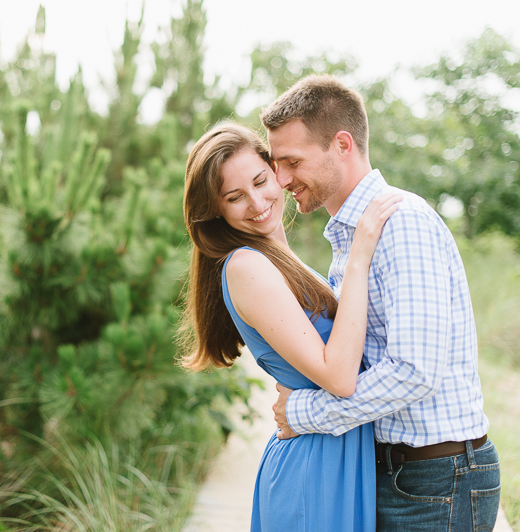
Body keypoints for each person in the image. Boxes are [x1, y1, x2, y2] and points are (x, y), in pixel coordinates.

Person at [265, 74, 501, 531]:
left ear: (342, 145)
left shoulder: (401, 223)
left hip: (436, 482)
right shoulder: (351, 238)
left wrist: (306, 413)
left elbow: (414, 371)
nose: (281, 179)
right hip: (399, 475)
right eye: (276, 164)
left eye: (292, 161)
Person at [180, 122, 402, 532]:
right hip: (312, 472)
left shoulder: (282, 260)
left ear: (276, 171)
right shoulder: (246, 266)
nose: (257, 201)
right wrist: (359, 257)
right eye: (234, 197)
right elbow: (338, 375)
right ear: (216, 211)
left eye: (261, 181)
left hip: (336, 455)